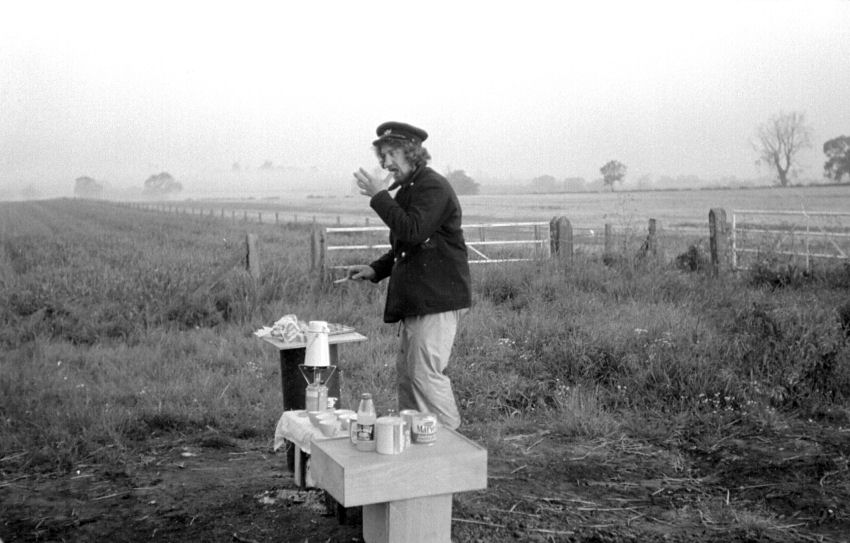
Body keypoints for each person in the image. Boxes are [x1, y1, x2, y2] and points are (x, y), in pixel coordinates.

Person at [347, 121, 471, 430]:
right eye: (383, 157)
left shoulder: (432, 187)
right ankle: (419, 451)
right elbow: (405, 246)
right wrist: (376, 269)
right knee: (409, 377)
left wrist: (379, 197)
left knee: (425, 376)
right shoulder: (410, 190)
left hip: (437, 300)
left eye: (392, 154)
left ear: (413, 153)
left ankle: (449, 452)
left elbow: (413, 231)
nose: (386, 163)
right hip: (420, 300)